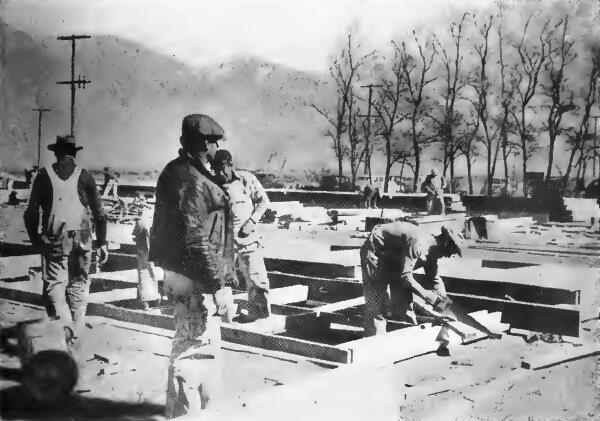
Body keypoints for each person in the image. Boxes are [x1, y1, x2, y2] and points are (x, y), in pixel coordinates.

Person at [149, 114, 236, 418]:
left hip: (196, 275)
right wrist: (220, 286)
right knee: (190, 347)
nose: (216, 149)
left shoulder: (189, 173)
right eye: (213, 143)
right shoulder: (187, 179)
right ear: (204, 144)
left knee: (204, 344)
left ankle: (197, 412)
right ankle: (183, 414)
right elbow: (195, 238)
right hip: (193, 277)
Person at [23, 135, 109, 343]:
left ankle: (64, 330)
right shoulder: (85, 176)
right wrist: (102, 242)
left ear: (56, 153)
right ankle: (75, 335)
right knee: (79, 285)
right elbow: (100, 214)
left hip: (56, 238)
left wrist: (36, 239)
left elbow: (31, 214)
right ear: (74, 154)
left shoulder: (44, 176)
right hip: (84, 236)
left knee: (53, 286)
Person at [360, 220, 462, 356]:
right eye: (448, 253)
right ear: (443, 244)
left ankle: (405, 344)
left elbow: (434, 279)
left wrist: (445, 305)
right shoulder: (417, 242)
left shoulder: (432, 252)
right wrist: (429, 297)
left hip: (395, 258)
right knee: (378, 305)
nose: (448, 256)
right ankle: (373, 351)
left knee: (403, 301)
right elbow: (406, 277)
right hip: (375, 254)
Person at [212, 149, 272, 323]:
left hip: (248, 242)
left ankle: (260, 317)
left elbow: (263, 201)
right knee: (219, 282)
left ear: (231, 165)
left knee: (257, 280)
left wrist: (252, 221)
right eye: (216, 170)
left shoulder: (246, 179)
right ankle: (224, 318)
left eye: (223, 169)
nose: (220, 174)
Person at [132, 213, 160, 310]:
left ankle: (147, 301)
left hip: (144, 224)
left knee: (145, 270)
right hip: (145, 249)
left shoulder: (142, 222)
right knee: (148, 270)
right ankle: (150, 301)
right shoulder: (144, 222)